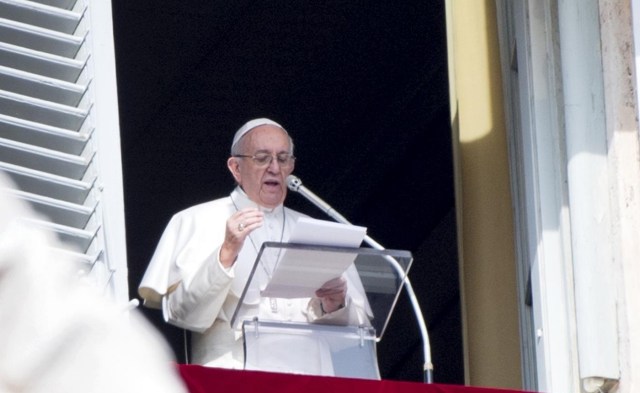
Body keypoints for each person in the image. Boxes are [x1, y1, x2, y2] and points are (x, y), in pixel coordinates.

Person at [138, 118, 370, 375]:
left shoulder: (318, 231)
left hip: (311, 379)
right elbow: (182, 314)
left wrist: (335, 305)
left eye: (283, 159)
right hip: (234, 378)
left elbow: (358, 335)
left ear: (292, 166)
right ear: (236, 167)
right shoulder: (194, 220)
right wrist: (225, 254)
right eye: (262, 158)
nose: (274, 168)